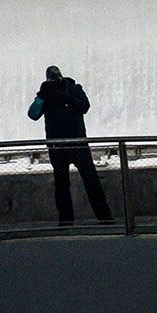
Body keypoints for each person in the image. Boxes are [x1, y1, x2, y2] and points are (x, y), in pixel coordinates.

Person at [27, 67, 112, 226]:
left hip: (73, 144)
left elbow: (84, 106)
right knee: (63, 185)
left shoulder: (74, 88)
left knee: (89, 181)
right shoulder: (47, 94)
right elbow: (33, 114)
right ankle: (68, 221)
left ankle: (103, 217)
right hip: (62, 146)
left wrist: (66, 97)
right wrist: (41, 96)